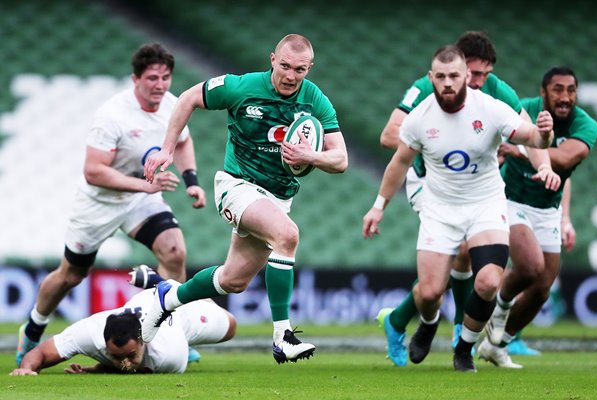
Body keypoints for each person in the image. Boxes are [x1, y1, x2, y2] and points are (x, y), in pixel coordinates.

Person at [141, 34, 348, 364]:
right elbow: (188, 98)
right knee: (288, 235)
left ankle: (168, 297)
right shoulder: (242, 87)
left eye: (299, 69)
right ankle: (283, 335)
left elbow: (341, 160)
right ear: (271, 59)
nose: (290, 75)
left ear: (309, 68)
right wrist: (167, 149)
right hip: (236, 186)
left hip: (277, 198)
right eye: (284, 66)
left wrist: (312, 156)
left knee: (233, 280)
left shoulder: (315, 100)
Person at [363, 45, 555, 372]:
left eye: (455, 75)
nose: (448, 82)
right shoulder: (420, 118)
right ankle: (427, 321)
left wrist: (545, 136)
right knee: (429, 291)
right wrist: (378, 206)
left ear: (466, 76)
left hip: (485, 205)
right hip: (439, 207)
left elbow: (530, 137)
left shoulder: (492, 106)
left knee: (490, 282)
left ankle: (464, 345)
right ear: (431, 78)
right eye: (441, 77)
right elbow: (398, 163)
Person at [16, 43, 207, 367]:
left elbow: (184, 141)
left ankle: (175, 332)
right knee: (71, 274)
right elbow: (93, 172)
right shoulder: (113, 115)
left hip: (140, 198)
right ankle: (33, 329)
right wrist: (145, 185)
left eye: (165, 77)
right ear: (135, 79)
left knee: (174, 251)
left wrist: (192, 182)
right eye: (152, 78)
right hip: (98, 203)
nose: (159, 85)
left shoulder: (173, 106)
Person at [477, 66, 597, 368]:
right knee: (530, 266)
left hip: (548, 209)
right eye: (558, 89)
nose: (565, 96)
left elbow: (566, 160)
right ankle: (497, 312)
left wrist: (520, 151)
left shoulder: (585, 125)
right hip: (510, 199)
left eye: (571, 90)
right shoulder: (525, 110)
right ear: (543, 92)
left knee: (542, 289)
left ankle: (498, 345)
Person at [11, 284, 236, 375]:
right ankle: (160, 283)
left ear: (142, 341)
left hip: (183, 315)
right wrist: (26, 368)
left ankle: (186, 290)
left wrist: (102, 367)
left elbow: (136, 370)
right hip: (143, 300)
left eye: (130, 355)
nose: (124, 363)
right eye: (115, 357)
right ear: (103, 344)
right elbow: (40, 353)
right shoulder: (89, 332)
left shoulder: (169, 354)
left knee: (231, 327)